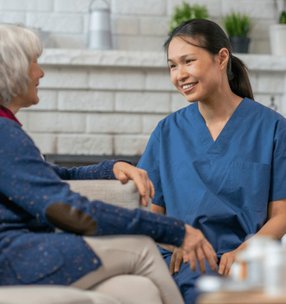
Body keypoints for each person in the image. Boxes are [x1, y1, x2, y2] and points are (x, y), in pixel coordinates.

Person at [0, 23, 218, 304]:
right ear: (14, 70)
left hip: (18, 256)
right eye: (34, 63)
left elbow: (54, 176)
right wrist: (177, 231)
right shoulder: (5, 134)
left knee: (138, 291)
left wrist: (109, 168)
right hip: (13, 259)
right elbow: (68, 209)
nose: (40, 72)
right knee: (141, 248)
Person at [138, 18, 286, 304]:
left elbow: (282, 215)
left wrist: (245, 252)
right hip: (189, 261)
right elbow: (151, 214)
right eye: (172, 66)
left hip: (250, 258)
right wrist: (175, 240)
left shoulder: (273, 129)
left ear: (221, 58)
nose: (180, 74)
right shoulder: (167, 132)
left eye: (188, 61)